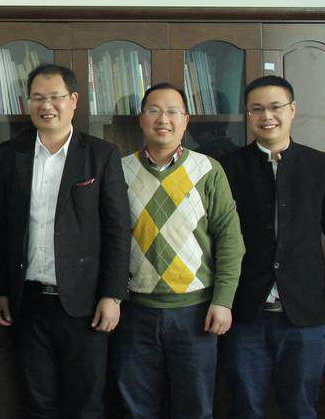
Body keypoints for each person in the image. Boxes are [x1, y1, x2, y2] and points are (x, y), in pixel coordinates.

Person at [0, 63, 131, 418]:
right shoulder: (9, 155)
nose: (46, 106)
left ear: (73, 100)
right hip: (28, 302)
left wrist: (112, 294)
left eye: (55, 97)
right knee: (37, 404)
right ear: (28, 103)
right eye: (37, 98)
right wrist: (3, 290)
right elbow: (1, 229)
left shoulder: (101, 154)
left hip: (85, 304)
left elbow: (117, 230)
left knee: (86, 405)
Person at [219, 75, 325, 419]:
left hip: (306, 312)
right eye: (257, 109)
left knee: (300, 408)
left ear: (292, 110)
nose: (267, 116)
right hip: (244, 312)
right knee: (244, 408)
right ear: (247, 115)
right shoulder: (227, 167)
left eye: (276, 107)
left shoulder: (322, 165)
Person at [114, 82, 245, 418]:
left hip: (195, 312)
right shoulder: (119, 170)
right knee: (136, 409)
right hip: (134, 312)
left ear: (185, 120)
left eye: (173, 112)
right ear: (141, 119)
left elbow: (230, 240)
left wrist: (223, 301)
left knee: (195, 408)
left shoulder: (208, 170)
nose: (163, 119)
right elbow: (107, 239)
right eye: (154, 111)